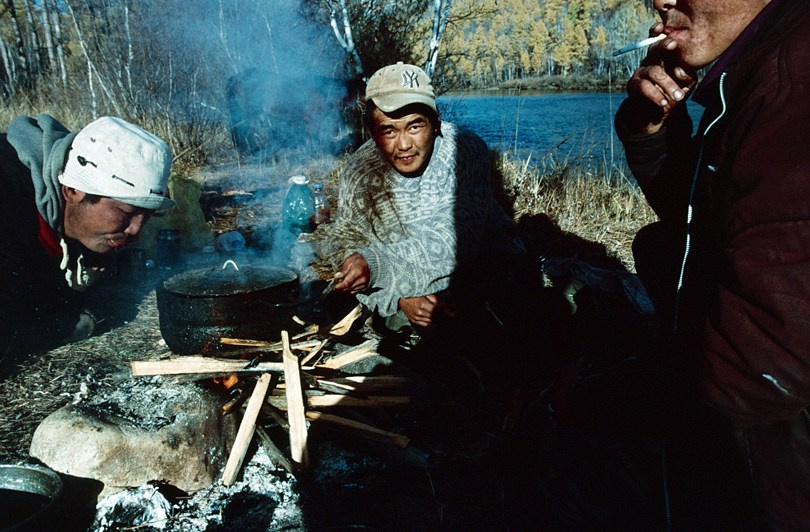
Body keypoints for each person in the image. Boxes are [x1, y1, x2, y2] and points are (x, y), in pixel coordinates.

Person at [611, 0, 810, 529]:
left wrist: (595, 397)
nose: (660, 1)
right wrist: (650, 129)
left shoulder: (792, 87)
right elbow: (714, 225)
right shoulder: (762, 66)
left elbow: (761, 367)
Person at [320, 62, 569, 375]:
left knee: (513, 333)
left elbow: (453, 246)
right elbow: (345, 241)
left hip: (484, 268)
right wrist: (396, 298)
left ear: (435, 122)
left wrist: (378, 269)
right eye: (388, 131)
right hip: (408, 291)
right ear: (372, 132)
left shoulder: (464, 151)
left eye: (414, 126)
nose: (404, 144)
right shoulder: (359, 172)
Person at [1, 115, 173, 355]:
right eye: (126, 212)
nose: (135, 230)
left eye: (148, 216)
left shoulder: (65, 196)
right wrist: (76, 324)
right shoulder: (9, 198)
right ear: (73, 190)